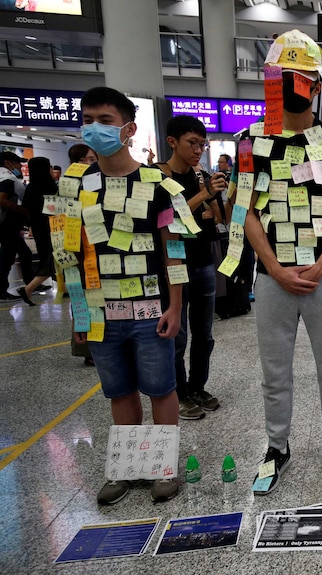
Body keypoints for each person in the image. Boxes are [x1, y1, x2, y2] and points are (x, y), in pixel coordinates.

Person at [234, 30, 322, 494]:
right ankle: (276, 447)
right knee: (274, 370)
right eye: (282, 76)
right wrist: (276, 268)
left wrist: (321, 267)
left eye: (300, 78)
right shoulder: (251, 141)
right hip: (272, 277)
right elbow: (244, 211)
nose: (290, 85)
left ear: (316, 85)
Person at [70, 86, 189, 504]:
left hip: (151, 306)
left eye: (104, 120)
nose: (94, 128)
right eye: (88, 119)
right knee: (118, 391)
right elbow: (70, 254)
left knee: (160, 388)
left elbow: (172, 247)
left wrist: (175, 306)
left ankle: (164, 467)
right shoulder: (78, 188)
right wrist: (79, 314)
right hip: (102, 310)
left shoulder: (158, 185)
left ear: (128, 129)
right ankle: (126, 468)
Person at [156, 115, 226, 420]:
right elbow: (169, 218)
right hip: (174, 266)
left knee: (205, 334)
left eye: (202, 144)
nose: (198, 149)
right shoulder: (158, 176)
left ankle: (198, 386)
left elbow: (216, 218)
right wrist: (202, 196)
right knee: (178, 336)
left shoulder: (201, 176)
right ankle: (179, 393)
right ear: (173, 141)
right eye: (192, 143)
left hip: (202, 261)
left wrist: (210, 198)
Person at [68, 143, 99, 366]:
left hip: (95, 246)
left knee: (94, 296)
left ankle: (94, 345)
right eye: (89, 159)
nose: (92, 163)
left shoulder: (96, 182)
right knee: (82, 296)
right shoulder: (69, 186)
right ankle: (85, 347)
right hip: (78, 249)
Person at [16, 157, 57, 305]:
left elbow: (27, 210)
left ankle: (63, 289)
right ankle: (29, 288)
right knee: (53, 259)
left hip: (39, 228)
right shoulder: (50, 186)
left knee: (50, 258)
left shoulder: (31, 187)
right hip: (54, 228)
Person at [0, 151, 31, 300]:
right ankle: (1, 290)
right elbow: (2, 199)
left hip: (7, 223)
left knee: (24, 253)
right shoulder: (6, 178)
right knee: (7, 257)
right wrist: (24, 211)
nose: (20, 165)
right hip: (6, 224)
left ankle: (31, 283)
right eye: (17, 162)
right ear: (8, 163)